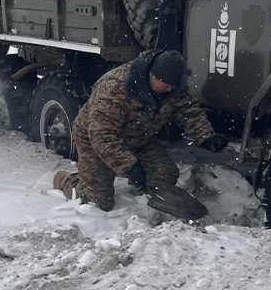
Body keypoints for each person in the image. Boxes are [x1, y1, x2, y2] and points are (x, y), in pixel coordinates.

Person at [53, 49, 228, 219]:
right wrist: (130, 167)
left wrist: (206, 136)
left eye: (172, 86)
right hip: (94, 141)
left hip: (139, 139)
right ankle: (67, 180)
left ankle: (146, 197)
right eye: (165, 84)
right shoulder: (114, 88)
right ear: (151, 75)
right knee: (99, 201)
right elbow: (103, 136)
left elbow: (187, 110)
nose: (169, 89)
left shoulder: (171, 86)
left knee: (165, 174)